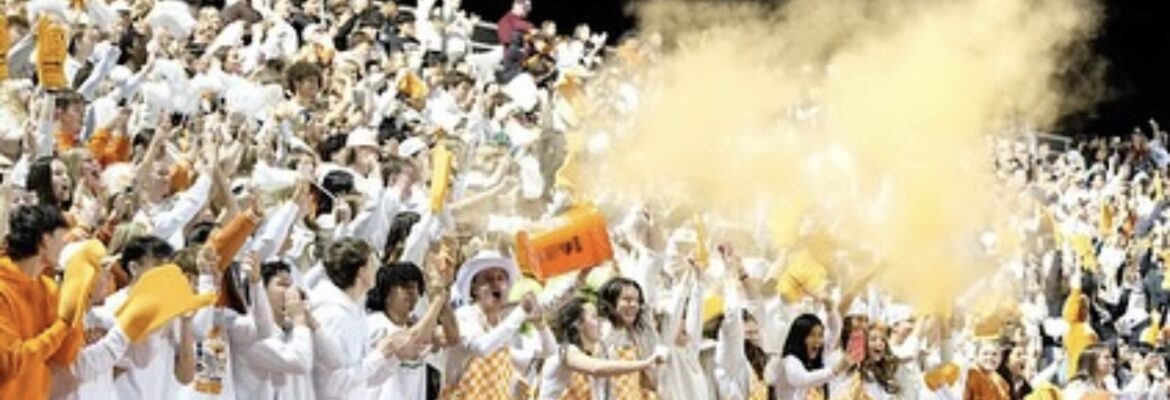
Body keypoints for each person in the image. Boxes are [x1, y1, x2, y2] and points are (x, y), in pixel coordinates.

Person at [442, 250, 552, 398]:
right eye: (488, 279)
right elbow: (481, 348)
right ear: (474, 289)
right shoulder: (464, 316)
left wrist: (540, 324)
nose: (495, 283)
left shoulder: (505, 323)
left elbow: (549, 352)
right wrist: (520, 313)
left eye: (500, 278)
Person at [309, 237, 409, 400]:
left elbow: (365, 380)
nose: (378, 267)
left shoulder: (354, 310)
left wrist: (394, 355)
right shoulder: (333, 316)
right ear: (362, 271)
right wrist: (379, 355)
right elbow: (331, 386)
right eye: (373, 262)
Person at [0, 205, 82, 399]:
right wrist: (62, 326)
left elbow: (65, 356)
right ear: (45, 241)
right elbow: (12, 362)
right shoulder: (3, 291)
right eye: (62, 239)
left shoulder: (49, 288)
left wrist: (75, 314)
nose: (65, 246)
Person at [364, 257, 459, 400]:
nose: (412, 292)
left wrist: (443, 297)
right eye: (405, 286)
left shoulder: (415, 323)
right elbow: (410, 341)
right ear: (386, 292)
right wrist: (437, 300)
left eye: (415, 287)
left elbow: (451, 338)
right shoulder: (376, 323)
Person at [541, 296, 663, 400]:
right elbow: (596, 368)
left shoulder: (595, 355)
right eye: (594, 317)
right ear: (578, 324)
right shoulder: (565, 351)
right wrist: (645, 363)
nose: (600, 323)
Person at [775, 313, 856, 400]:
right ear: (800, 338)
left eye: (820, 335)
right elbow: (803, 380)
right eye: (812, 335)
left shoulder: (813, 359)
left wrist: (830, 310)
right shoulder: (789, 361)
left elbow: (834, 331)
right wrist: (835, 370)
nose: (817, 341)